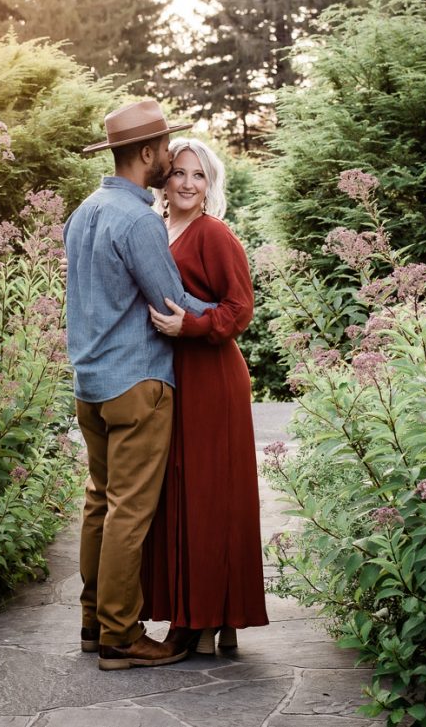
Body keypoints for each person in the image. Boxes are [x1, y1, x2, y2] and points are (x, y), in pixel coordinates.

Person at [64, 100, 216, 671]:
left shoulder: (84, 211)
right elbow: (170, 300)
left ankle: (91, 621)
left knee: (100, 504)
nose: (168, 165)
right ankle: (121, 636)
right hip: (139, 384)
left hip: (90, 385)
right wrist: (224, 314)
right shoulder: (138, 221)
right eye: (165, 154)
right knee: (129, 512)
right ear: (149, 154)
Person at [141, 138, 269, 653]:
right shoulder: (159, 229)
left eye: (199, 175)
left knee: (210, 494)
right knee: (184, 493)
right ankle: (215, 611)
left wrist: (190, 327)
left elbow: (240, 310)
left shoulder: (215, 235)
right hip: (178, 374)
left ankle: (196, 623)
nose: (188, 183)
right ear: (165, 181)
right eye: (179, 174)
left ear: (210, 183)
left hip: (212, 375)